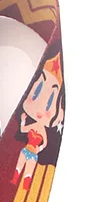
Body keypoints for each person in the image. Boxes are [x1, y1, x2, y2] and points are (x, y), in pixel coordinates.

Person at [12, 49, 64, 190]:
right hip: (26, 151)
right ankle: (15, 180)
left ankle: (24, 187)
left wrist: (39, 149)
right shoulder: (34, 125)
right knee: (18, 168)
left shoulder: (43, 129)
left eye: (49, 102)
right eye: (36, 93)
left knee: (28, 173)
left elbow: (45, 143)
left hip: (34, 154)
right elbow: (23, 129)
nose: (40, 110)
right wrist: (23, 120)